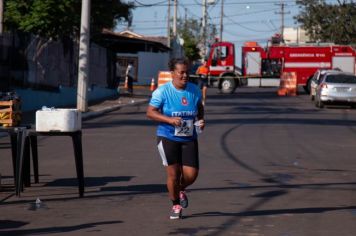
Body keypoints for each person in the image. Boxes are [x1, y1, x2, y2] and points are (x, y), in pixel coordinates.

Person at [146, 58, 205, 220]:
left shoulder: (194, 90)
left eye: (187, 72)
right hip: (167, 137)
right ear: (173, 73)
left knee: (191, 175)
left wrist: (200, 120)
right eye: (181, 72)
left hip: (189, 137)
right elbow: (150, 112)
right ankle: (175, 204)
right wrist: (169, 120)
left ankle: (180, 189)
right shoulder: (162, 91)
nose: (185, 75)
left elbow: (199, 108)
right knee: (173, 175)